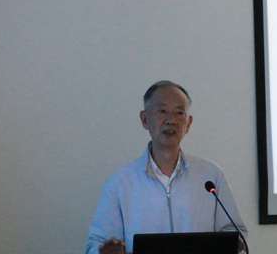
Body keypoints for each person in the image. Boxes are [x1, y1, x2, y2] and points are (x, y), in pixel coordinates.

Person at [84, 80, 247, 254]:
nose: (171, 121)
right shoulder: (120, 183)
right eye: (162, 111)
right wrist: (103, 251)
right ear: (144, 119)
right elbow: (95, 243)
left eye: (179, 113)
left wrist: (233, 243)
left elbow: (234, 231)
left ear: (188, 123)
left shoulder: (210, 175)